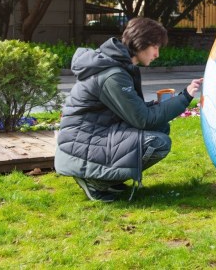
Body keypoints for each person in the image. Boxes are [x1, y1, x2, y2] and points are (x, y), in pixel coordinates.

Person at [55, 17, 202, 202]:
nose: (157, 54)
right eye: (155, 47)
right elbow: (143, 119)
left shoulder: (116, 66)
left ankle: (110, 179)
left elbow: (134, 111)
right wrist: (185, 97)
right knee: (158, 143)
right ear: (141, 43)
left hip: (94, 134)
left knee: (161, 127)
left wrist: (170, 101)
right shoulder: (113, 75)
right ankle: (95, 182)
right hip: (82, 142)